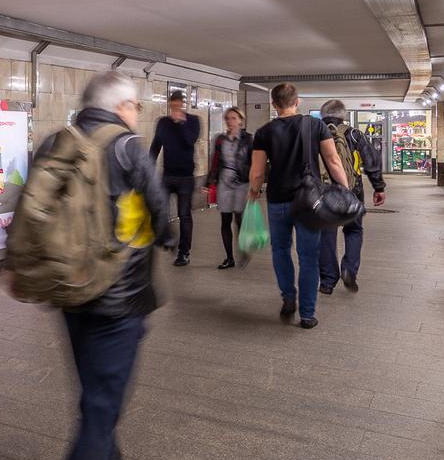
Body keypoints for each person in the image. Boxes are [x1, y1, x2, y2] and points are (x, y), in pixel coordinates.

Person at [46, 72, 171, 460]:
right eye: (135, 105)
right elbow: (160, 215)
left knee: (95, 391)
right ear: (121, 107)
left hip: (69, 293)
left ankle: (109, 458)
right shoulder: (127, 147)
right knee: (100, 411)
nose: (137, 113)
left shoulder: (57, 144)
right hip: (118, 301)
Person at [247, 84, 351, 329]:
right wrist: (345, 191)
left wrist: (253, 192)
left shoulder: (264, 131)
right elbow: (333, 160)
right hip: (309, 201)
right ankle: (307, 314)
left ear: (274, 104)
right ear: (298, 101)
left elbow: (258, 171)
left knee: (280, 251)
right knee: (308, 257)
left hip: (278, 200)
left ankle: (288, 297)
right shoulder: (315, 126)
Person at [317, 99, 387, 294]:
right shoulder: (354, 134)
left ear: (323, 115)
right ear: (343, 115)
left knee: (326, 235)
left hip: (324, 192)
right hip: (352, 191)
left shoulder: (315, 133)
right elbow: (371, 161)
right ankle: (349, 270)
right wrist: (378, 187)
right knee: (353, 231)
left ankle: (327, 281)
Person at [149, 90, 201, 266]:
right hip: (167, 175)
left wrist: (181, 122)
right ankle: (169, 239)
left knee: (184, 215)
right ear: (170, 104)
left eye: (179, 104)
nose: (176, 107)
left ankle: (184, 252)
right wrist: (148, 167)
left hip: (186, 176)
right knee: (160, 210)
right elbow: (156, 145)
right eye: (173, 104)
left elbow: (190, 141)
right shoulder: (163, 122)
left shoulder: (193, 121)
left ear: (183, 105)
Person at [205, 106, 253, 269]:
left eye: (234, 118)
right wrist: (209, 181)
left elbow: (254, 162)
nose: (230, 122)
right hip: (224, 181)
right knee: (225, 220)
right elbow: (215, 161)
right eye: (227, 118)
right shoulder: (220, 139)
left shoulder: (248, 139)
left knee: (239, 219)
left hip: (242, 182)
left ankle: (244, 250)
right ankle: (229, 258)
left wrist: (255, 184)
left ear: (241, 120)